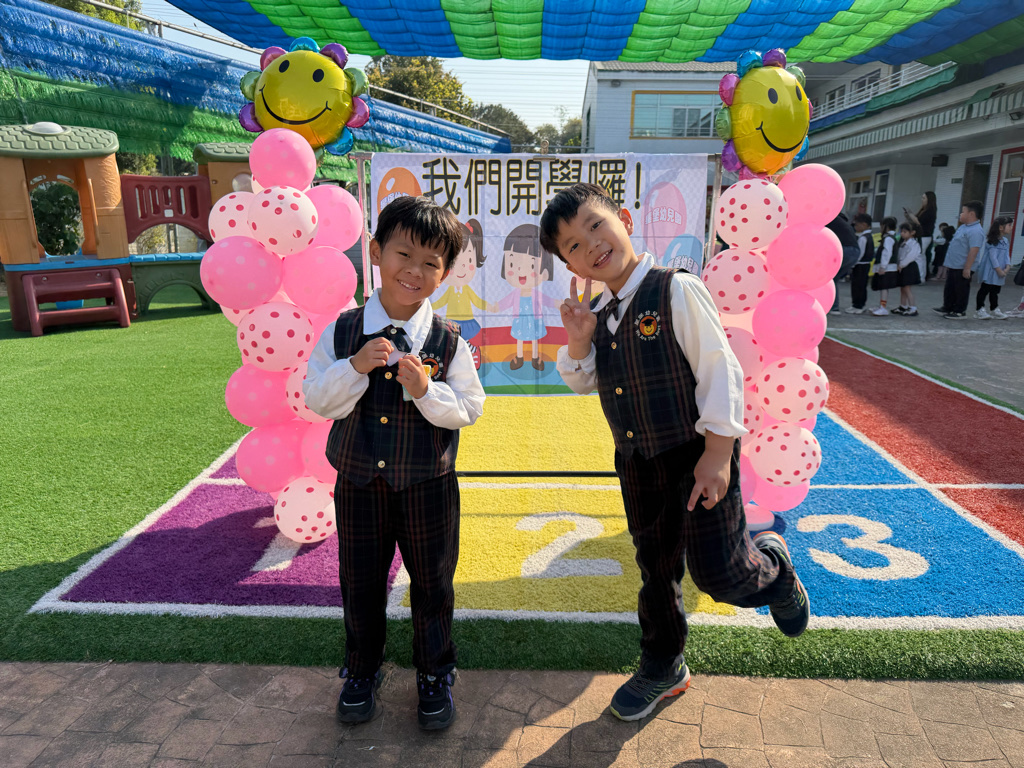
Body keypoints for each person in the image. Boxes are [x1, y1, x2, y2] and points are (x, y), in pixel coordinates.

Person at [540, 183, 809, 723]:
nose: (591, 245)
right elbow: (584, 380)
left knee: (721, 576)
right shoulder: (600, 312)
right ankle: (664, 664)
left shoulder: (675, 289)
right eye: (573, 245)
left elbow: (719, 370)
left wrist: (718, 453)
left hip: (695, 457)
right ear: (569, 264)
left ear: (623, 219)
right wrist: (579, 339)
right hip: (638, 465)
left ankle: (776, 572)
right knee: (655, 568)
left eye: (595, 225)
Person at [303, 195, 486, 730]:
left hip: (429, 485)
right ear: (376, 251)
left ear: (445, 273)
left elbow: (470, 409)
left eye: (431, 262)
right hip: (359, 484)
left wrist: (428, 391)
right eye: (403, 254)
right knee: (359, 581)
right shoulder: (343, 331)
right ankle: (362, 670)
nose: (415, 271)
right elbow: (318, 399)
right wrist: (354, 367)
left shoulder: (449, 341)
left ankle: (434, 673)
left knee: (433, 583)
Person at [431, 218, 498, 368]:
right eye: (455, 262)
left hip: (466, 321)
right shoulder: (449, 290)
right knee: (454, 342)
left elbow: (477, 301)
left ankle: (473, 351)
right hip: (452, 321)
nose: (461, 268)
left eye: (468, 261)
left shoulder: (467, 289)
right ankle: (460, 358)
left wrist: (489, 307)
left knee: (462, 340)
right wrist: (429, 306)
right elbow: (441, 301)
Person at [496, 223, 560, 371]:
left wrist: (556, 303)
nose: (520, 270)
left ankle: (535, 358)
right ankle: (519, 357)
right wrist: (496, 307)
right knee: (519, 339)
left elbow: (547, 300)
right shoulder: (516, 293)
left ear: (545, 271)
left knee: (535, 339)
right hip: (520, 320)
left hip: (534, 320)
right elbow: (506, 302)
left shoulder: (536, 293)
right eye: (512, 264)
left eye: (532, 266)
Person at [935, 201, 986, 320]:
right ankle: (948, 307)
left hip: (963, 266)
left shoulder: (976, 231)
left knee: (961, 289)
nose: (960, 214)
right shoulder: (963, 227)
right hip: (954, 265)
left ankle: (959, 311)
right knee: (950, 288)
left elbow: (974, 250)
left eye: (963, 212)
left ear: (971, 214)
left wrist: (967, 268)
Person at [974, 216, 1013, 319]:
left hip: (1000, 271)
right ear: (1001, 227)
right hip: (991, 271)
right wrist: (999, 270)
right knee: (985, 289)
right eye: (1009, 225)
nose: (1011, 227)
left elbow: (1006, 255)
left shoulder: (1005, 241)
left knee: (995, 291)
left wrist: (1008, 266)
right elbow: (993, 257)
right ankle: (979, 309)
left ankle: (994, 309)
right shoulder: (991, 241)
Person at [825, 212, 860, 314]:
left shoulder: (829, 219)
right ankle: (834, 308)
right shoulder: (843, 223)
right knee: (833, 278)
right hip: (855, 252)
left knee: (826, 277)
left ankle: (831, 306)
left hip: (844, 250)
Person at [845, 213, 874, 314]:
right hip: (865, 265)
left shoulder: (863, 238)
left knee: (857, 286)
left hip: (860, 265)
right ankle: (859, 304)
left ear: (864, 225)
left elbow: (859, 253)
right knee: (861, 285)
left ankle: (857, 305)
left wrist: (853, 264)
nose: (855, 227)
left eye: (857, 225)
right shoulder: (868, 236)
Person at [892, 221, 923, 316]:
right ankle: (903, 306)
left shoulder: (914, 244)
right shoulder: (903, 243)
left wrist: (901, 265)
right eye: (901, 232)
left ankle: (913, 308)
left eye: (905, 232)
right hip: (903, 267)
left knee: (907, 288)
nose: (902, 234)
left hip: (909, 267)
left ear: (912, 232)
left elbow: (910, 256)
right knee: (903, 288)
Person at [870, 217, 899, 316]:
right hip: (887, 267)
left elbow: (887, 253)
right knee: (883, 287)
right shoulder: (889, 237)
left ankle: (883, 307)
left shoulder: (888, 239)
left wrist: (883, 266)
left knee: (884, 287)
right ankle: (881, 306)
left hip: (887, 267)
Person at [904, 191, 936, 278]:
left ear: (929, 200)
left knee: (919, 256)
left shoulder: (930, 211)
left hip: (924, 236)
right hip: (921, 236)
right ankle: (921, 276)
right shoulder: (923, 210)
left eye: (924, 198)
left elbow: (918, 221)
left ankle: (920, 276)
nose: (922, 200)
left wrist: (911, 215)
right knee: (921, 256)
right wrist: (908, 216)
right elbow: (915, 221)